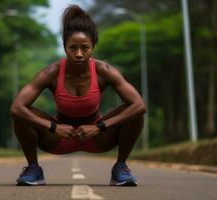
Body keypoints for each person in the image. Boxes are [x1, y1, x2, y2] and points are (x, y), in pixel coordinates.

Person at [10, 5, 146, 187]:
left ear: (93, 47)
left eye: (85, 48)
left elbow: (139, 105)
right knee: (21, 114)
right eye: (73, 48)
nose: (79, 54)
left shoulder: (104, 71)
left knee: (134, 112)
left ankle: (120, 167)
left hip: (97, 137)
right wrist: (54, 127)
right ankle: (33, 168)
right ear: (65, 47)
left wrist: (99, 127)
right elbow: (16, 108)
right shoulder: (51, 72)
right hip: (58, 138)